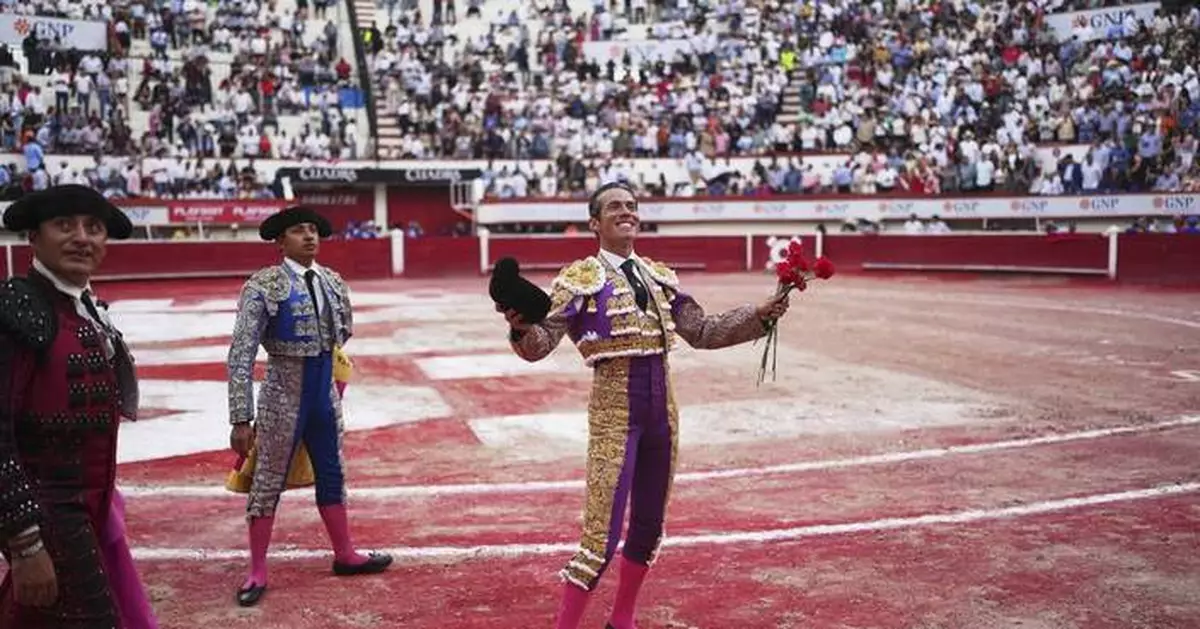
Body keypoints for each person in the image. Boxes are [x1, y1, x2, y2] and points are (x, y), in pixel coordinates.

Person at [499, 181, 791, 629]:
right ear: (594, 223)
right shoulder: (580, 279)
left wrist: (759, 315)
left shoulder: (659, 277)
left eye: (632, 206)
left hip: (663, 412)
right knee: (601, 536)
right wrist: (520, 329)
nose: (626, 212)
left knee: (649, 526)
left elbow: (703, 331)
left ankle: (623, 621)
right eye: (615, 206)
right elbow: (541, 343)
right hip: (615, 411)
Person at [0, 184, 158, 628]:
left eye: (94, 228)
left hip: (87, 508)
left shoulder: (85, 308)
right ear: (34, 236)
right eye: (63, 225)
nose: (82, 237)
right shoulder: (20, 307)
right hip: (49, 514)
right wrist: (25, 541)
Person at [226, 205, 392, 607]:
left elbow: (343, 333)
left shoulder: (333, 281)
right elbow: (242, 352)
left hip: (323, 395)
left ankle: (345, 554)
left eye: (314, 230)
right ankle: (258, 570)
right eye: (299, 231)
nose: (310, 236)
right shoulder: (263, 285)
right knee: (267, 481)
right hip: (283, 392)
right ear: (280, 241)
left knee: (333, 473)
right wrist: (240, 417)